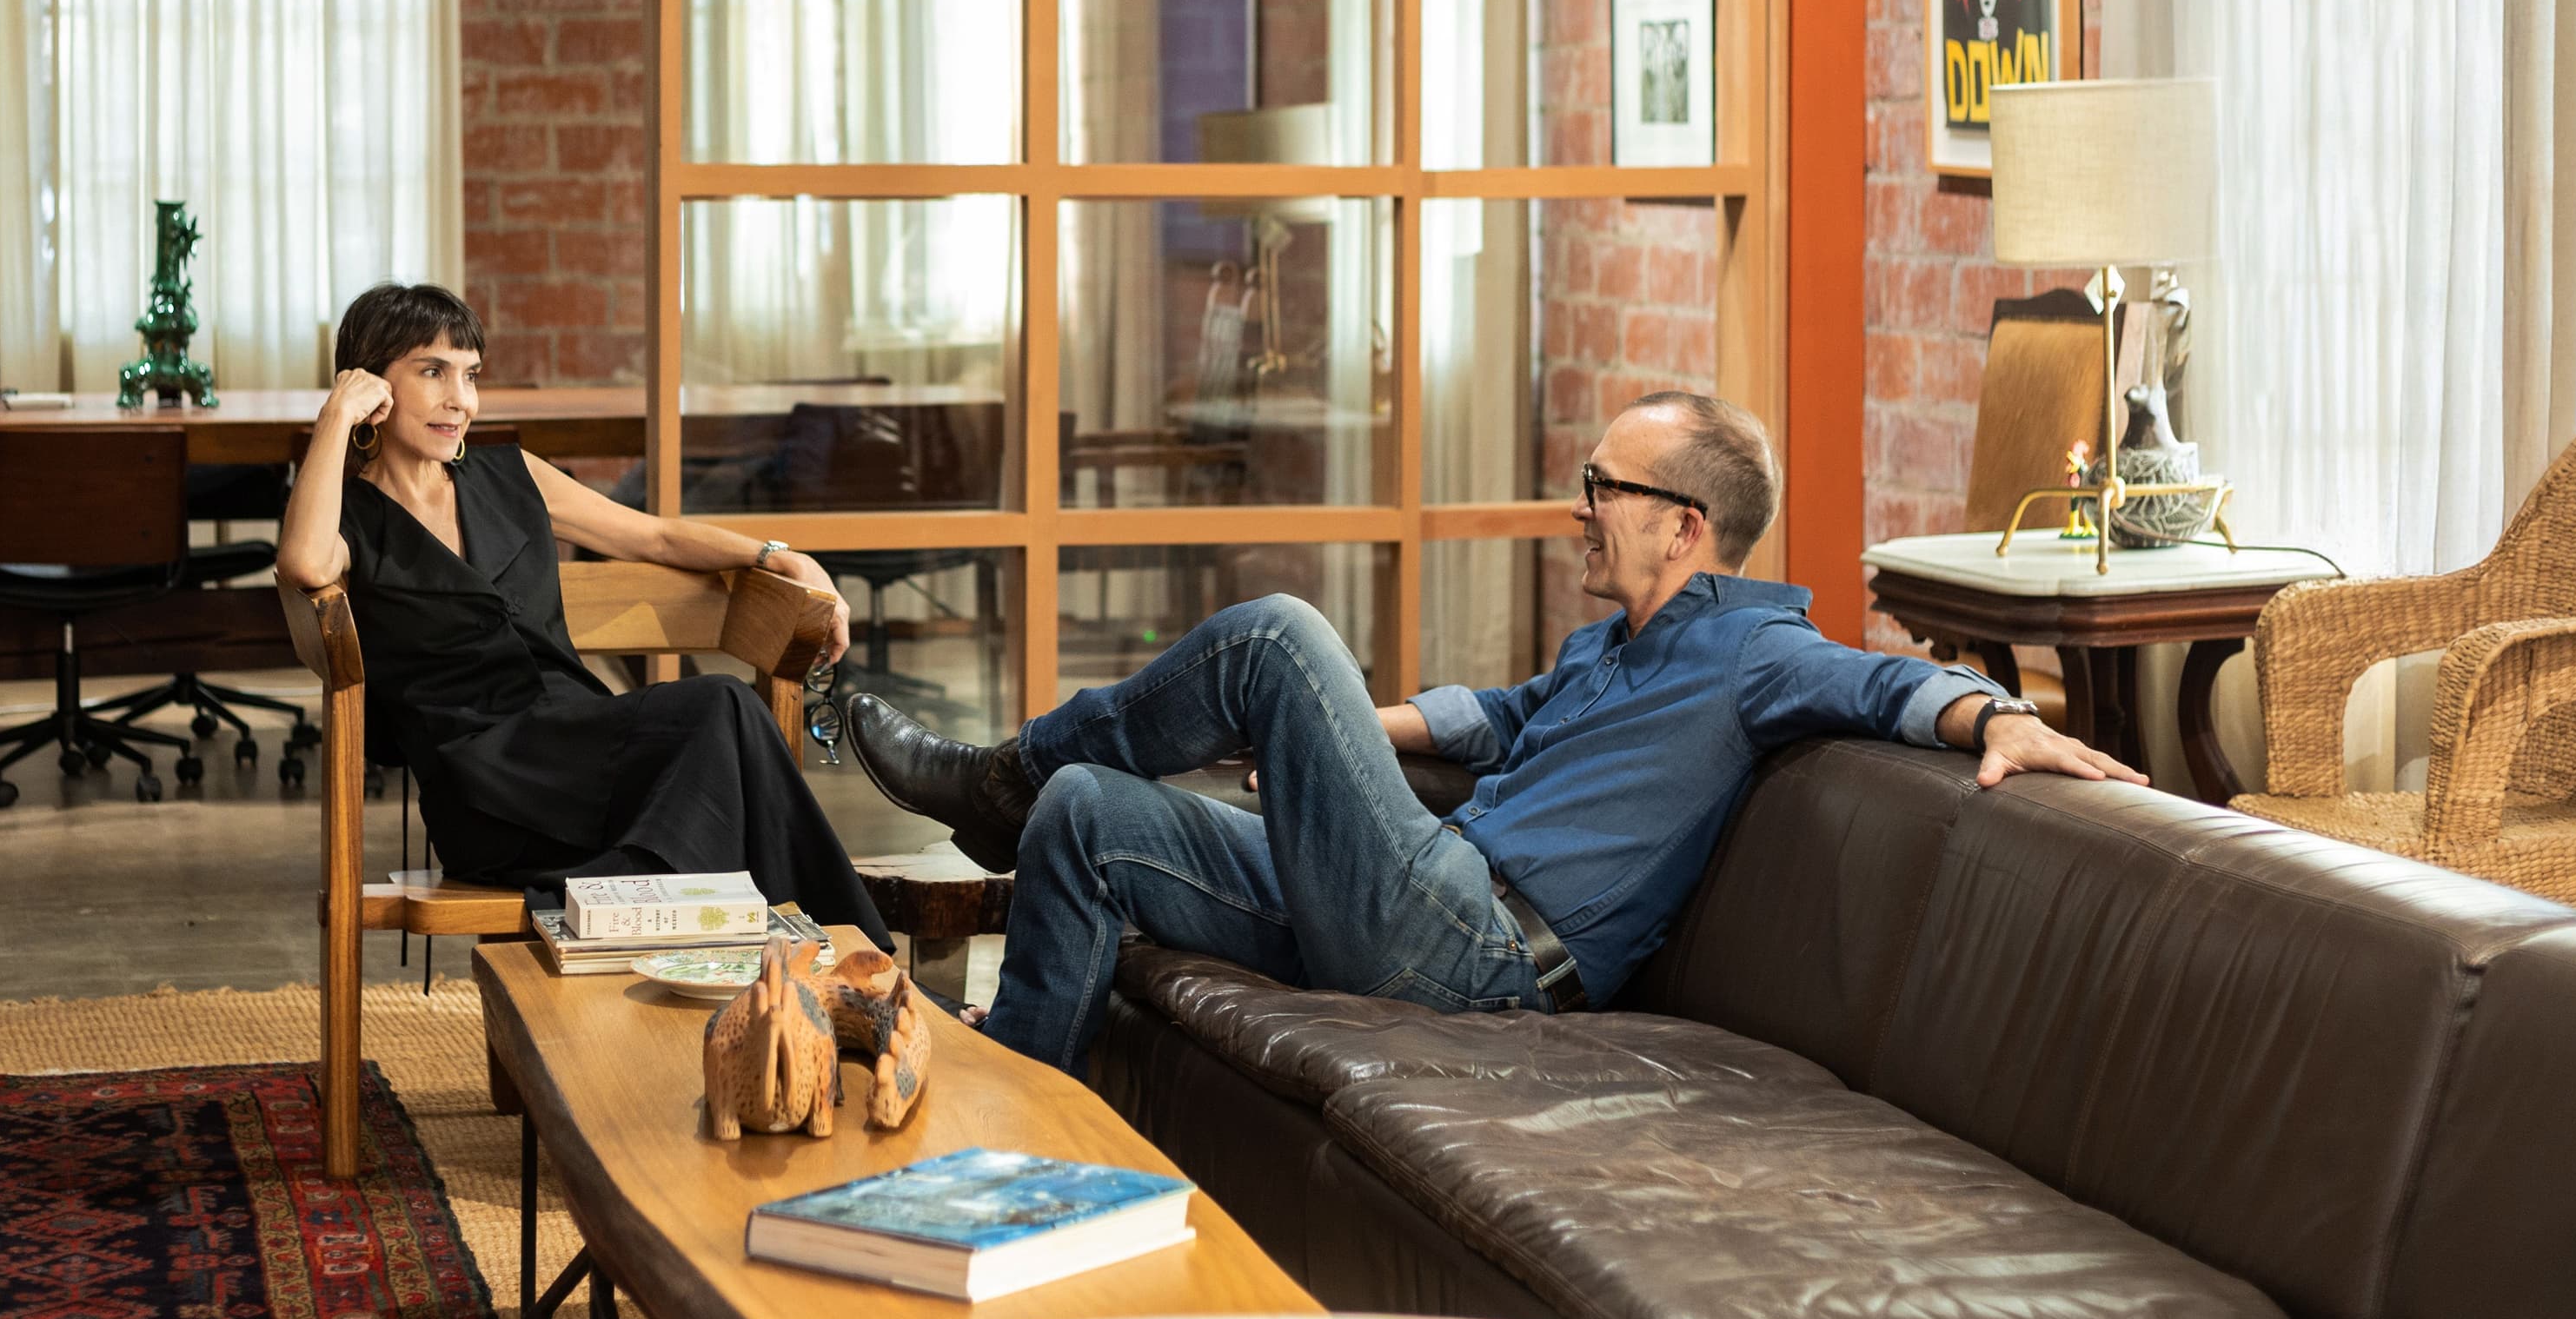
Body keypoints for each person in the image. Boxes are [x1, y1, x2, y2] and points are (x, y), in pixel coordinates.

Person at [846, 390, 2142, 1072]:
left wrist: (2005, 713)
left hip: (1482, 956)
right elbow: (1493, 716)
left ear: (1685, 528)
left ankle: (994, 777)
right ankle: (1013, 1125)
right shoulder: (1609, 649)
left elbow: (1881, 687)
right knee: (1093, 821)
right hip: (1416, 887)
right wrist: (1319, 748)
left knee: (1281, 635)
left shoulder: (1756, 651)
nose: (1578, 510)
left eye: (1603, 489)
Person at [278, 282, 892, 946]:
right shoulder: (354, 520)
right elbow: (306, 565)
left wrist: (778, 556)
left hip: (584, 746)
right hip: (487, 794)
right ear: (372, 384)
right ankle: (851, 959)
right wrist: (335, 420)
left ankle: (752, 944)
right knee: (724, 708)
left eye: (471, 374)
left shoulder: (511, 475)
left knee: (725, 727)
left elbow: (650, 536)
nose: (462, 399)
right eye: (433, 371)